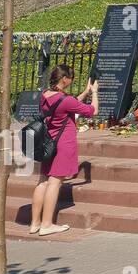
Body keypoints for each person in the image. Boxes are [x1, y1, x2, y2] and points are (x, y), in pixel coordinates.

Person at [31, 64, 96, 236]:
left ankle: (35, 223)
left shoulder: (45, 95)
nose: (71, 81)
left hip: (49, 143)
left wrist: (84, 93)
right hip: (64, 143)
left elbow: (68, 104)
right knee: (55, 183)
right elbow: (91, 111)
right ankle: (47, 224)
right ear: (64, 79)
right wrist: (95, 93)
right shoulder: (65, 100)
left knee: (43, 181)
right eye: (71, 78)